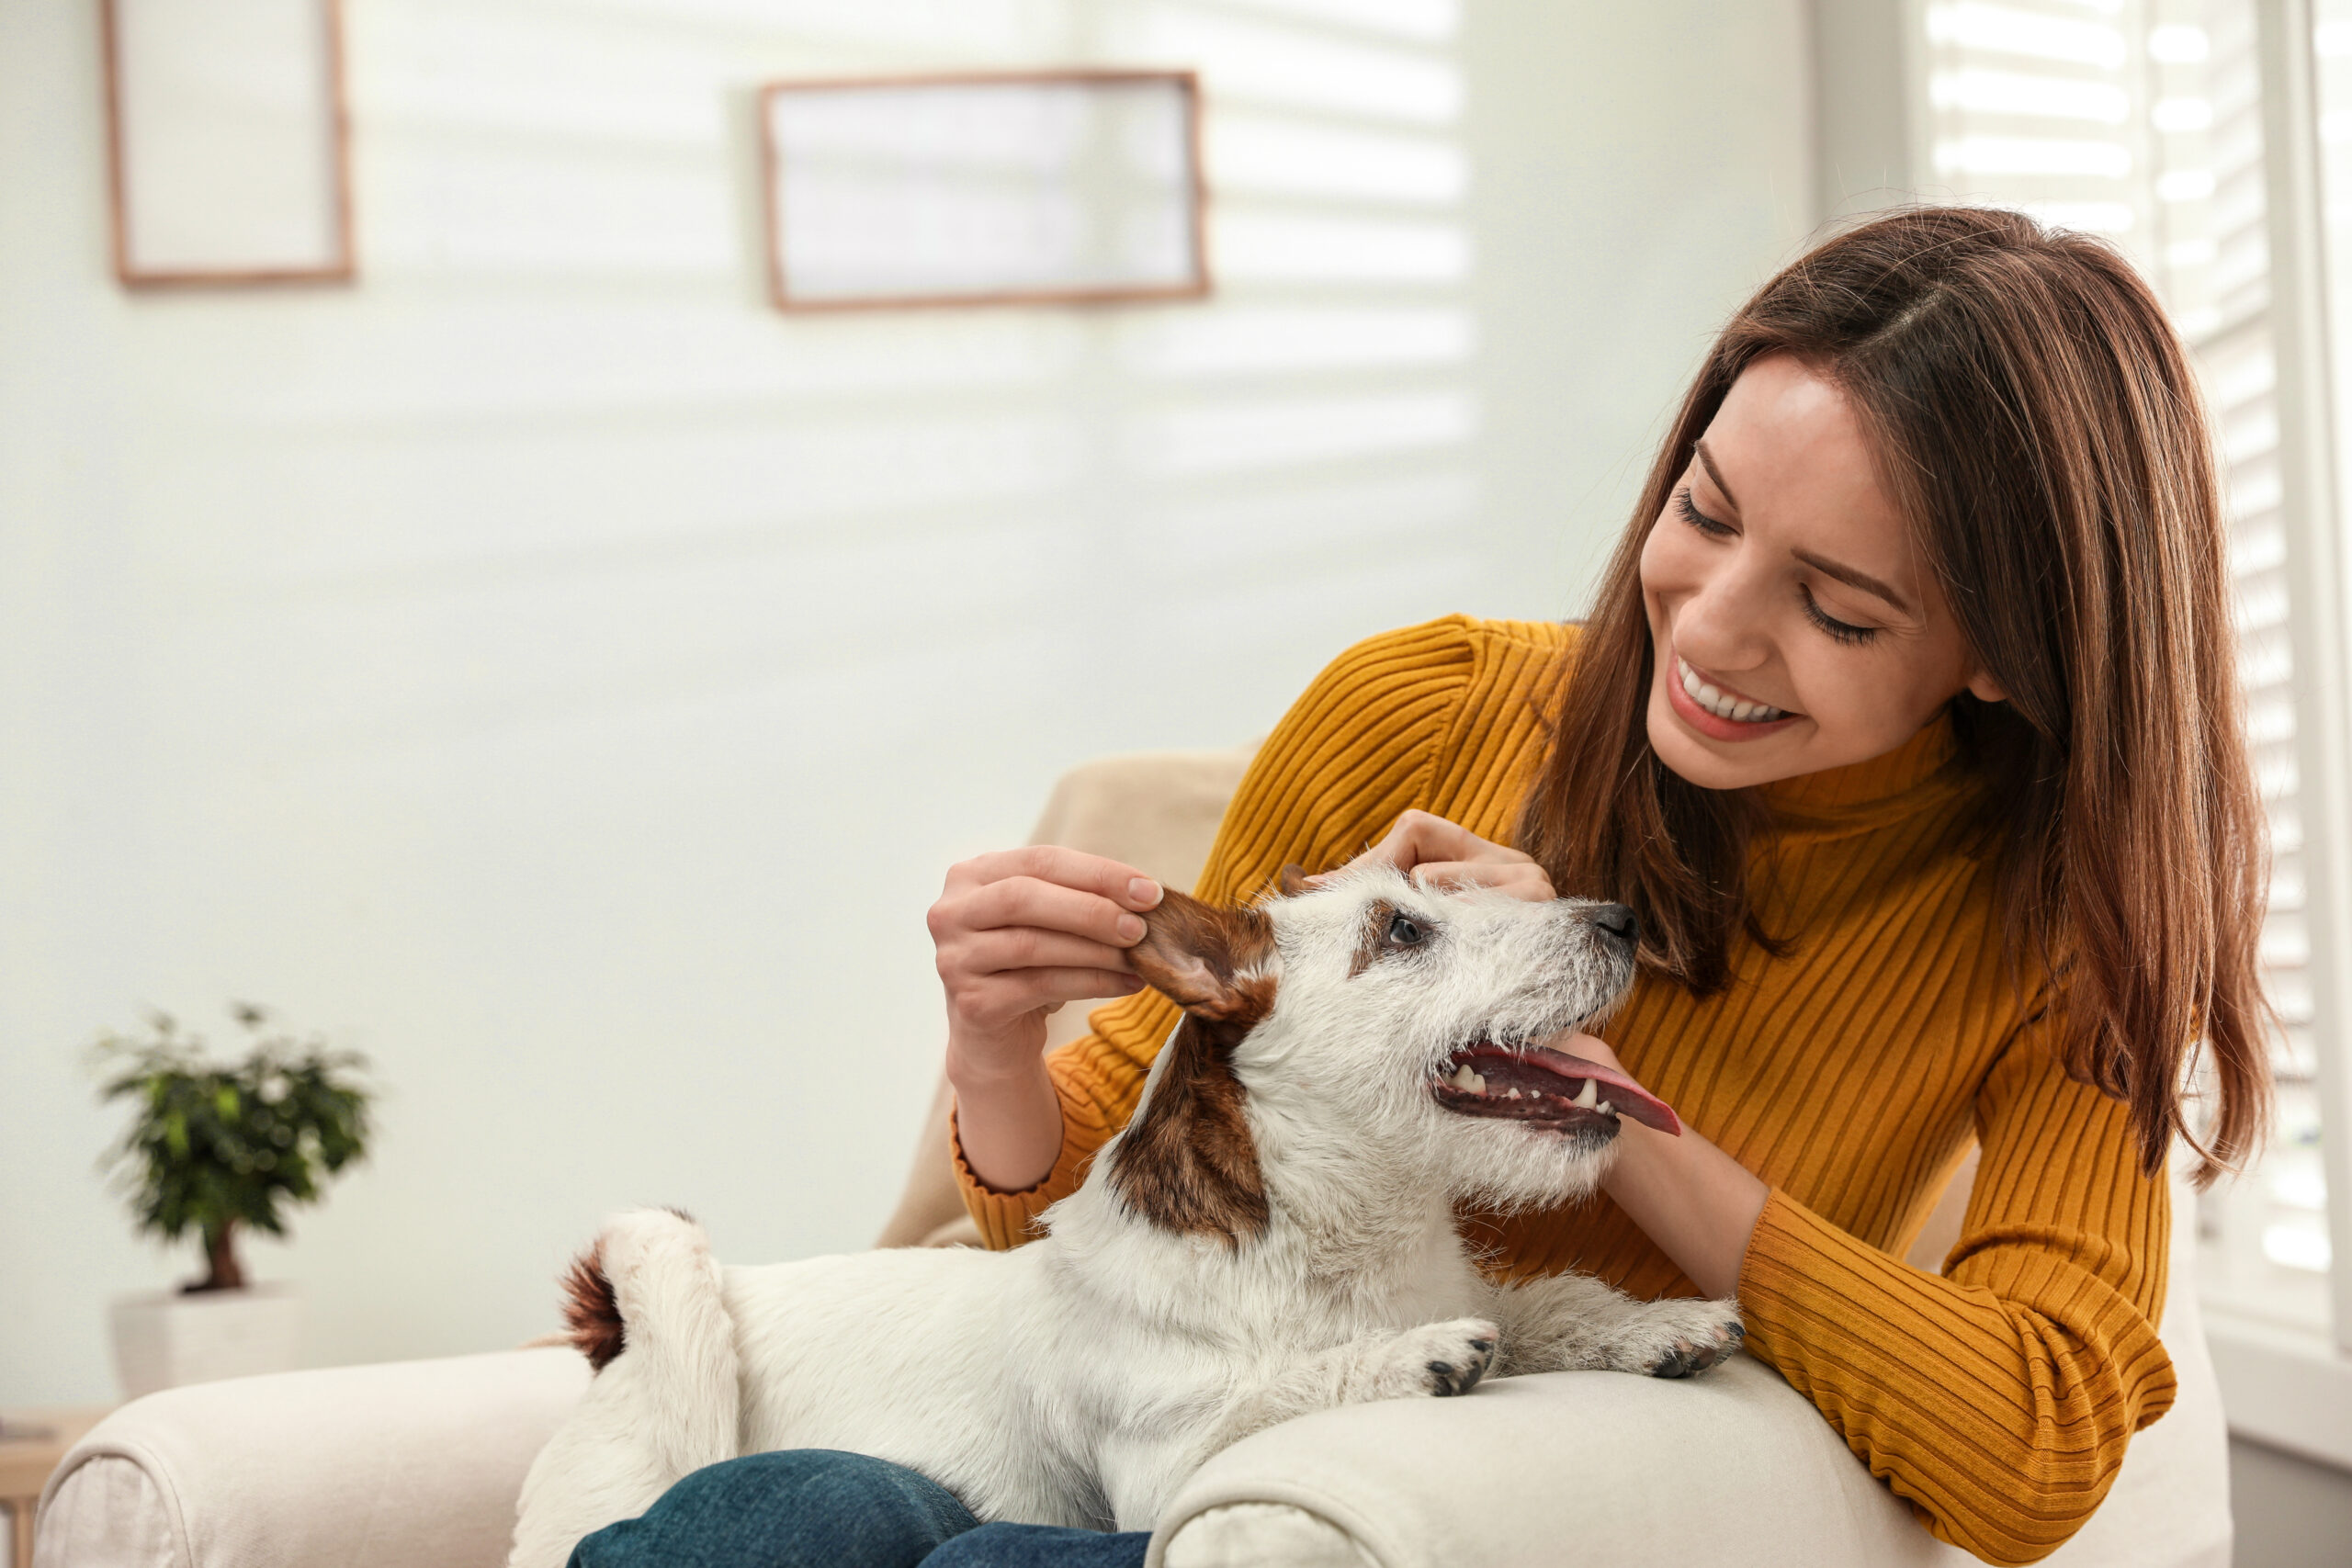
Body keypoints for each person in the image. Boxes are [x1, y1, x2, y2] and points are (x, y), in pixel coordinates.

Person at [574, 208, 2271, 1568]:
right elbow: (1074, 1210)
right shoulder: (1432, 706)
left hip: (1477, 1504)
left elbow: (2032, 1455)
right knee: (777, 1520)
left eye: (1839, 610)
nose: (1710, 629)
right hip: (1164, 1439)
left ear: (2004, 658)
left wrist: (1587, 1087)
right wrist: (995, 1048)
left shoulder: (2063, 945)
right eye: (1703, 508)